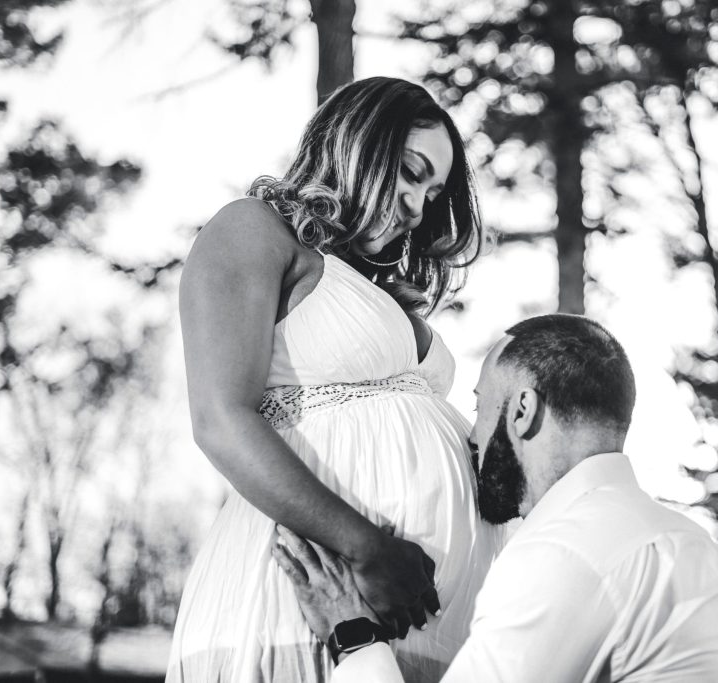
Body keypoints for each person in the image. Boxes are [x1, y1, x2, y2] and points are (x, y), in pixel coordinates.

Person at [166, 77, 502, 682]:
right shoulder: (254, 230)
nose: (419, 207)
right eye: (409, 171)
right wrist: (365, 547)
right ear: (355, 145)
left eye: (433, 191)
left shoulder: (375, 291)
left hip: (425, 630)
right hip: (305, 602)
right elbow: (220, 418)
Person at [274, 314, 718, 682]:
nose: (471, 437)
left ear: (522, 411)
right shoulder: (699, 551)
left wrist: (354, 634)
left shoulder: (568, 552)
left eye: (480, 407)